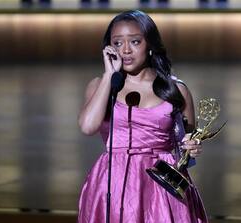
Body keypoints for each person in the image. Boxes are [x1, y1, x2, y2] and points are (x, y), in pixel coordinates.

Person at [77, 10, 208, 223]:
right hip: (114, 181)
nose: (126, 50)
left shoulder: (175, 89)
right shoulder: (100, 86)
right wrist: (109, 76)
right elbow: (87, 127)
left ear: (150, 45)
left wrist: (191, 146)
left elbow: (186, 143)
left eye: (135, 42)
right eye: (118, 43)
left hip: (161, 182)